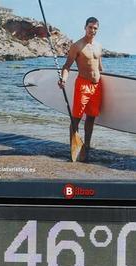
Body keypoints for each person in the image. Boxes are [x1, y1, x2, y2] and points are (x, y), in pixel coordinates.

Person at [59, 17, 103, 162]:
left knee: (91, 118)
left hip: (96, 87)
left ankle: (87, 147)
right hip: (83, 85)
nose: (93, 30)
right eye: (90, 27)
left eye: (95, 28)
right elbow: (67, 66)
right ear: (85, 27)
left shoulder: (98, 46)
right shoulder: (77, 46)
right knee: (76, 118)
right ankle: (74, 148)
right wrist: (63, 79)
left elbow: (100, 68)